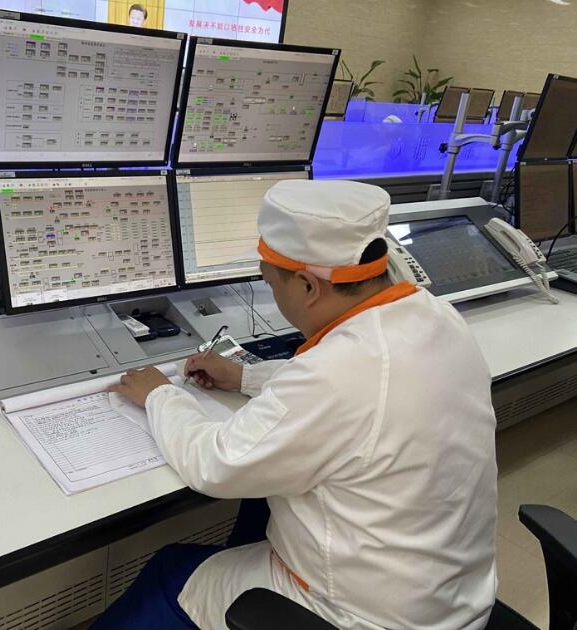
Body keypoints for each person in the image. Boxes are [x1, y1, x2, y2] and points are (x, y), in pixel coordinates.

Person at [95, 179, 498, 629]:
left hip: (358, 615)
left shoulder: (335, 374)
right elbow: (370, 390)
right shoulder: (435, 316)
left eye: (271, 283)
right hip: (450, 598)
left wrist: (159, 394)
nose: (273, 294)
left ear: (307, 286)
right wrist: (246, 376)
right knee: (261, 507)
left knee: (169, 569)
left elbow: (216, 464)